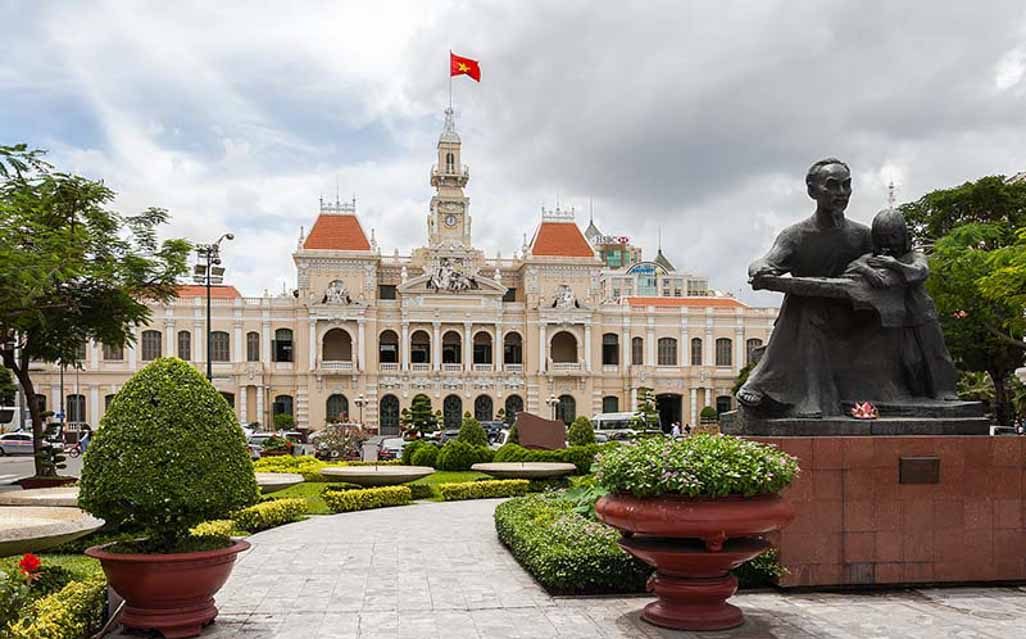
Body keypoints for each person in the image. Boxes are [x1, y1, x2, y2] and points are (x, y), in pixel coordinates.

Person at [737, 158, 873, 417]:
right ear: (812, 191)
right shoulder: (796, 236)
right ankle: (801, 397)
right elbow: (768, 260)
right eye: (832, 186)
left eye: (846, 186)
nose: (841, 193)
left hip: (854, 317)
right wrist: (759, 269)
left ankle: (767, 385)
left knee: (808, 308)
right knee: (807, 306)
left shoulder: (862, 236)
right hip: (805, 317)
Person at [843, 208, 959, 400]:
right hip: (896, 317)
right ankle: (919, 394)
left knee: (936, 353)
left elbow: (920, 272)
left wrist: (894, 265)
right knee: (910, 360)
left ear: (905, 237)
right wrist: (868, 271)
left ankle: (945, 391)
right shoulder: (874, 259)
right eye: (883, 238)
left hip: (921, 313)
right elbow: (852, 267)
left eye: (893, 237)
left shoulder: (913, 256)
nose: (888, 243)